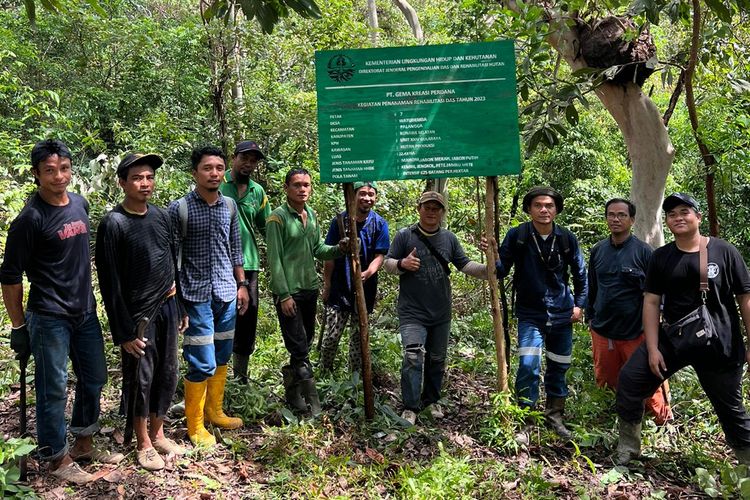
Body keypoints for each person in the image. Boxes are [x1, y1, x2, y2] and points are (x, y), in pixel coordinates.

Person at [0, 139, 123, 485]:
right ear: (37, 174)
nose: (59, 176)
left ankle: (84, 441)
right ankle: (56, 456)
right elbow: (10, 277)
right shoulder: (30, 219)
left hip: (84, 312)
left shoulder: (80, 205)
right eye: (50, 171)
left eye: (64, 168)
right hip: (49, 317)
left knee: (95, 377)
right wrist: (18, 326)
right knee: (52, 388)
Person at [616, 193, 750, 465]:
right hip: (674, 339)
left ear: (698, 217)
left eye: (684, 212)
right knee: (630, 380)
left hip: (720, 342)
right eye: (672, 214)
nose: (678, 218)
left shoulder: (725, 252)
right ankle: (628, 450)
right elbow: (651, 302)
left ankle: (747, 461)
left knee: (731, 409)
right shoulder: (661, 257)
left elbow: (745, 299)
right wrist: (652, 349)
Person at [96, 153, 189, 471]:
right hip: (138, 317)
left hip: (168, 306)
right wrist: (122, 332)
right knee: (141, 379)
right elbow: (110, 283)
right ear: (122, 182)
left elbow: (171, 262)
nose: (145, 183)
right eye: (137, 177)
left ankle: (158, 432)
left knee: (168, 372)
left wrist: (180, 304)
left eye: (149, 177)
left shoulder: (162, 216)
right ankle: (143, 443)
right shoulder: (113, 223)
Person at [384, 191, 487, 425]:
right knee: (413, 355)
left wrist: (490, 269)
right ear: (418, 209)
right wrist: (402, 264)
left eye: (436, 208)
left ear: (442, 212)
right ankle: (410, 406)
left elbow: (465, 264)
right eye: (427, 207)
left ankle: (431, 401)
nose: (431, 212)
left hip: (441, 311)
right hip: (412, 311)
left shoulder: (449, 238)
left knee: (437, 359)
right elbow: (388, 263)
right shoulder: (404, 236)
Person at [168, 145, 248, 447]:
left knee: (222, 354)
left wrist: (242, 286)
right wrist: (176, 298)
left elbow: (235, 248)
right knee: (201, 360)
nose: (214, 173)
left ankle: (215, 411)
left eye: (218, 168)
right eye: (207, 168)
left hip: (227, 291)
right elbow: (171, 255)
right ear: (195, 173)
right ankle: (196, 425)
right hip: (195, 294)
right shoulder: (180, 209)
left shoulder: (229, 206)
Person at [495, 186, 587, 442]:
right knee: (528, 365)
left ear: (556, 209)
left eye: (549, 205)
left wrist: (579, 305)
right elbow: (501, 270)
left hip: (561, 313)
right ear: (529, 209)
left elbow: (580, 274)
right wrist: (491, 255)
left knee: (559, 365)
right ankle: (526, 419)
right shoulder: (518, 235)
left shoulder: (567, 238)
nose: (544, 210)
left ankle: (555, 416)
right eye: (538, 205)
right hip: (530, 312)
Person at [266, 168, 347, 415]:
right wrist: (284, 295)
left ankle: (293, 395)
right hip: (289, 292)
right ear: (286, 188)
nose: (303, 189)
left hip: (309, 289)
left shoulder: (310, 215)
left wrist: (339, 249)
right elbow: (274, 260)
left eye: (307, 185)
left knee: (304, 344)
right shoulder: (277, 219)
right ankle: (315, 406)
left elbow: (318, 249)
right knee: (299, 348)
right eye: (297, 185)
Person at [587, 198, 671, 425]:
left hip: (636, 332)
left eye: (622, 215)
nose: (616, 219)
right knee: (606, 380)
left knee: (647, 381)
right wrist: (590, 317)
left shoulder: (644, 252)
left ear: (632, 220)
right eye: (611, 214)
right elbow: (592, 287)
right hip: (603, 330)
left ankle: (662, 422)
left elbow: (657, 294)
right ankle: (612, 422)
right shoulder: (598, 251)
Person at [320, 181, 390, 375]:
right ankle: (325, 373)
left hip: (365, 289)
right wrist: (327, 285)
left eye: (371, 194)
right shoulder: (340, 222)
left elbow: (380, 256)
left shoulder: (379, 224)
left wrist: (368, 272)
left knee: (358, 339)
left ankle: (355, 379)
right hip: (340, 288)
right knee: (332, 337)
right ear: (353, 195)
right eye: (362, 193)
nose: (367, 198)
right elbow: (330, 256)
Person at [219, 140, 271, 383]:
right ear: (234, 157)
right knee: (217, 317)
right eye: (245, 158)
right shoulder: (218, 184)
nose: (249, 164)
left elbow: (266, 227)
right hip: (218, 263)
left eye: (254, 160)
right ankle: (213, 374)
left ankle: (240, 376)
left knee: (246, 319)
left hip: (248, 264)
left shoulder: (257, 192)